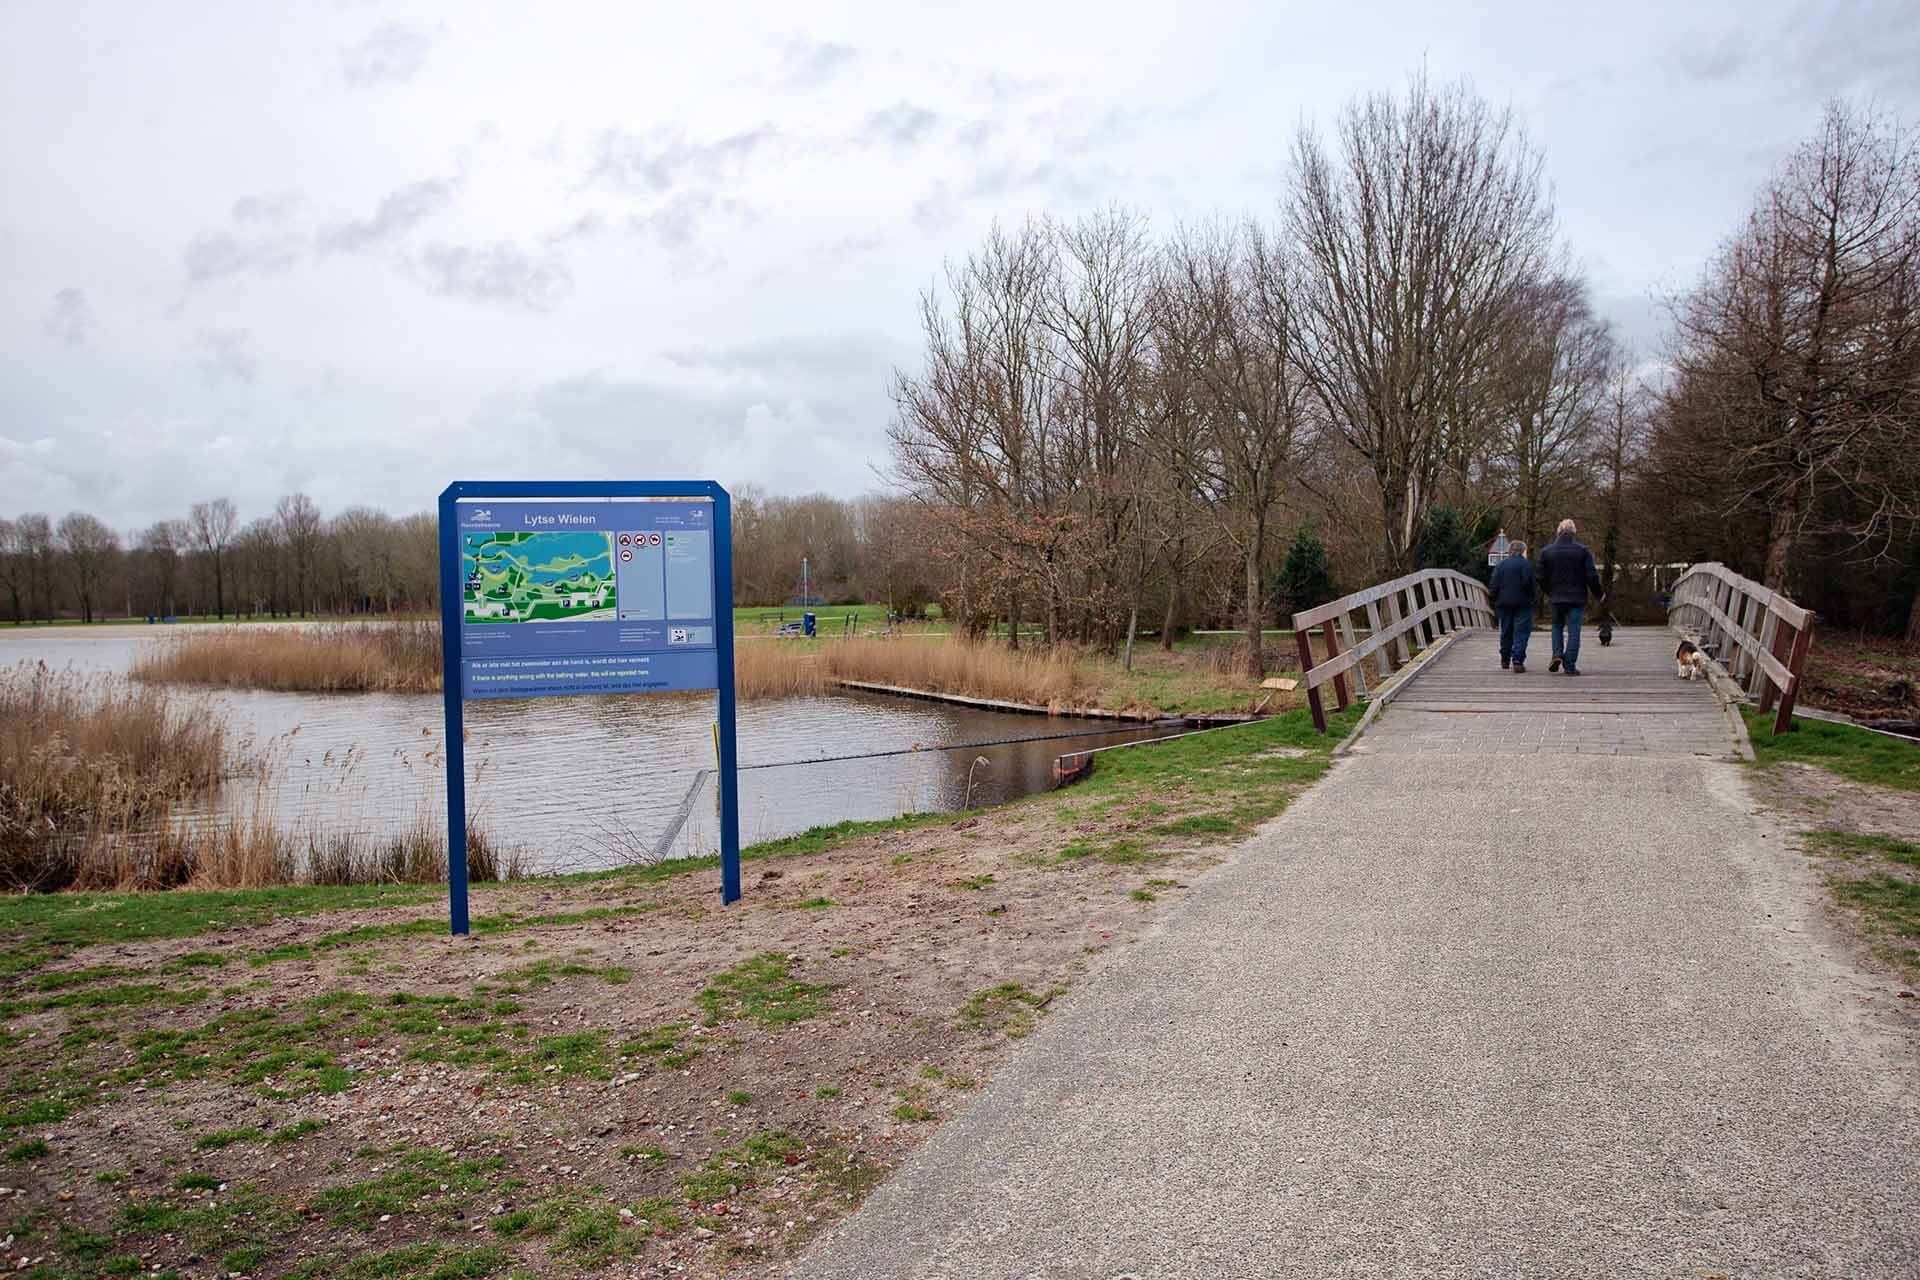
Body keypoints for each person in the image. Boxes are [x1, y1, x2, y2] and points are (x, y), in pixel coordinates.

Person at [1535, 518, 1605, 675]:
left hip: (1556, 597)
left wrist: (1548, 591)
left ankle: (1557, 654)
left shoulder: (1547, 552)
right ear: (1574, 533)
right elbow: (1591, 576)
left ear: (1558, 532)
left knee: (1557, 627)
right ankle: (1570, 666)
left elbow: (1539, 576)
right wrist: (1599, 594)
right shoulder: (1583, 551)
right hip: (1577, 598)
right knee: (1574, 631)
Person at [1487, 539, 1534, 672]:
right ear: (1523, 551)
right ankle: (1518, 660)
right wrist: (1531, 598)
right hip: (1523, 603)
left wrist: (1493, 600)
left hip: (1504, 603)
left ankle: (1505, 659)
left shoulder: (1501, 565)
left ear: (1510, 551)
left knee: (1506, 631)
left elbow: (1494, 585)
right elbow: (1529, 585)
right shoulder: (1526, 565)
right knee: (1521, 632)